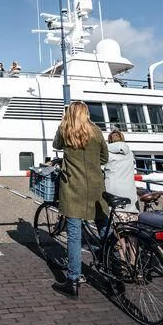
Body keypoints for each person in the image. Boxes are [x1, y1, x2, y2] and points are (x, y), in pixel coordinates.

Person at [51, 101, 108, 298]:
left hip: (73, 188)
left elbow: (55, 145)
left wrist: (63, 123)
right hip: (95, 187)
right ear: (86, 113)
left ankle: (73, 280)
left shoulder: (65, 130)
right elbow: (104, 158)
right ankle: (114, 270)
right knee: (103, 228)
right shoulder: (96, 131)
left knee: (74, 235)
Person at [103, 130, 139, 219]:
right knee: (131, 222)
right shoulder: (130, 153)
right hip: (130, 192)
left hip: (113, 191)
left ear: (109, 140)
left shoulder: (106, 153)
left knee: (112, 219)